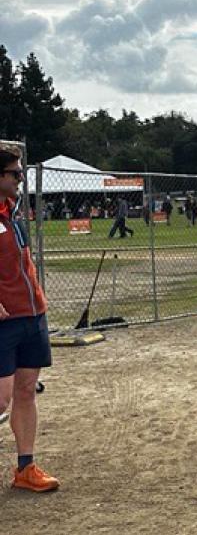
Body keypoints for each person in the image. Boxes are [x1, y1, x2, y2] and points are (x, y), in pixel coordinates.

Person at [0, 145, 60, 492]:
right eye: (15, 173)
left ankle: (26, 468)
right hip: (4, 322)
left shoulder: (13, 212)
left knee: (25, 390)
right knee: (1, 398)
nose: (22, 178)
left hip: (32, 314)